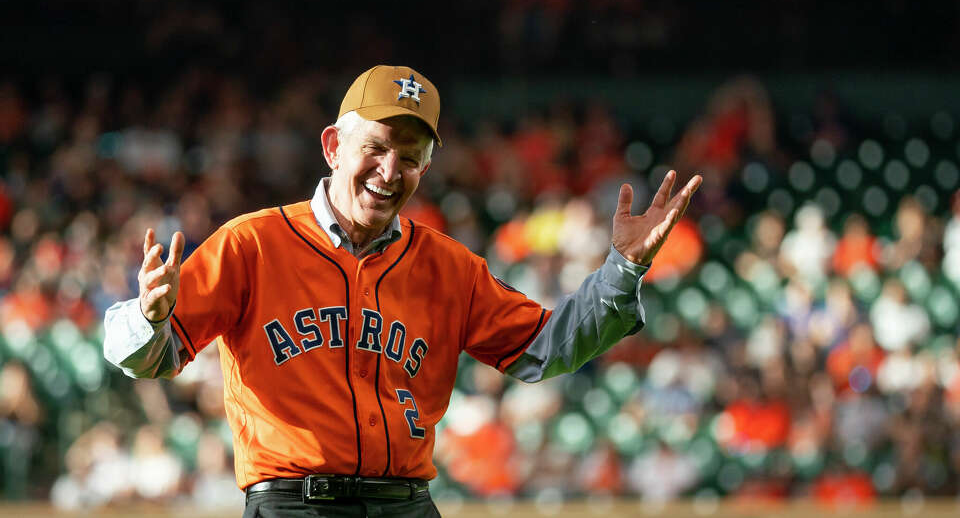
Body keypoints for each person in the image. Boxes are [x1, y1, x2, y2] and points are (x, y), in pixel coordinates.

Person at [103, 65, 702, 517]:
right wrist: (151, 318)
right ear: (334, 146)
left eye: (410, 158)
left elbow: (547, 349)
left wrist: (622, 267)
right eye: (376, 148)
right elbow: (142, 359)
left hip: (406, 504)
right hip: (295, 505)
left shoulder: (449, 265)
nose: (391, 173)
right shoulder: (251, 244)